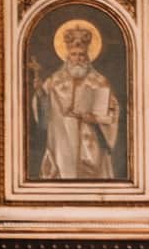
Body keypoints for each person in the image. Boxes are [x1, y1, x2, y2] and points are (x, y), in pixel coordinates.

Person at [33, 21, 122, 179]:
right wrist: (40, 93)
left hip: (91, 142)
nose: (78, 59)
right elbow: (44, 112)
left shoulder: (99, 81)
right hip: (62, 141)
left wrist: (95, 118)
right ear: (67, 56)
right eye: (74, 54)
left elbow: (112, 114)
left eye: (81, 55)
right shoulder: (54, 81)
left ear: (87, 57)